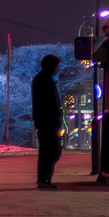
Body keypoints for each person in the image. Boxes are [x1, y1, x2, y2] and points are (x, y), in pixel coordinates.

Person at [32, 54, 63, 189]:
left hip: (44, 120)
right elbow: (49, 103)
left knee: (48, 149)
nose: (58, 69)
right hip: (48, 121)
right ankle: (44, 179)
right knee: (52, 150)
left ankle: (44, 179)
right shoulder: (46, 80)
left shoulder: (41, 79)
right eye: (57, 66)